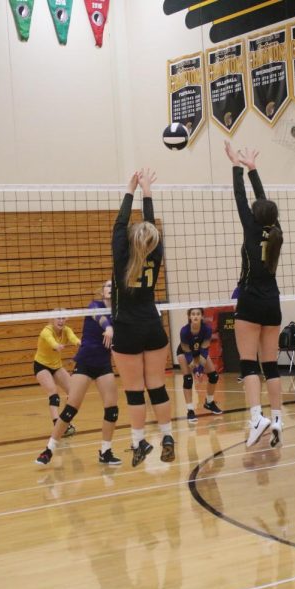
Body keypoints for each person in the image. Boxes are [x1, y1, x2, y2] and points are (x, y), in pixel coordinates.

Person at [111, 168, 175, 467]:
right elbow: (143, 224)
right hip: (152, 326)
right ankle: (167, 436)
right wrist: (146, 190)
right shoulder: (156, 252)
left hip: (126, 329)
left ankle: (138, 443)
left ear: (130, 240)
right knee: (158, 386)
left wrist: (130, 187)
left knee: (135, 392)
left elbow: (119, 224)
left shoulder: (122, 256)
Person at [224, 140, 284, 448]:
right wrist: (253, 169)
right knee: (270, 364)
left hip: (249, 299)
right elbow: (263, 203)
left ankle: (256, 416)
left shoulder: (250, 227)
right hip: (273, 303)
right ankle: (277, 418)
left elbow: (240, 198)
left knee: (248, 363)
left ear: (256, 215)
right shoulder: (277, 233)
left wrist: (237, 165)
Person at [35, 281, 123, 467]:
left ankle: (105, 451)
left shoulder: (118, 312)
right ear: (102, 291)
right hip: (85, 363)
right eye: (106, 285)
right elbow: (100, 319)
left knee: (112, 409)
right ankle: (49, 449)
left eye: (112, 285)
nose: (109, 287)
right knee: (71, 408)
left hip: (103, 365)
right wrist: (108, 327)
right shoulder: (94, 306)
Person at [34, 314, 81, 436]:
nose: (61, 320)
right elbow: (51, 341)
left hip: (56, 366)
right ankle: (57, 424)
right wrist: (57, 346)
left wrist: (80, 344)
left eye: (63, 318)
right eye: (58, 318)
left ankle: (63, 421)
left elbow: (73, 338)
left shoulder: (67, 330)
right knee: (54, 395)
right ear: (52, 320)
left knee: (73, 392)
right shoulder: (46, 331)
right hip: (41, 366)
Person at [177, 307, 223, 423]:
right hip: (184, 353)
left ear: (202, 316)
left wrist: (200, 370)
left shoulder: (207, 329)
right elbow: (187, 354)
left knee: (214, 376)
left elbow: (204, 351)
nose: (196, 316)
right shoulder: (184, 331)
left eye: (198, 314)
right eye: (193, 314)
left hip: (199, 352)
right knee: (188, 379)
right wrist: (195, 371)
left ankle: (209, 402)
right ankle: (190, 410)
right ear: (189, 317)